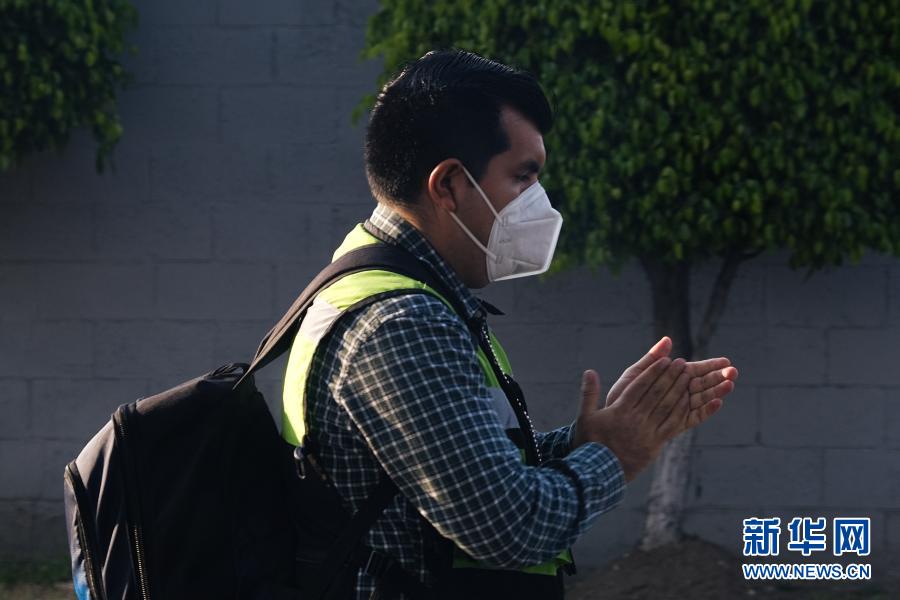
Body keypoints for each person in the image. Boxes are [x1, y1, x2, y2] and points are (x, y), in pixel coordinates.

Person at [282, 49, 738, 599]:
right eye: (523, 178)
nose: (538, 205)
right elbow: (508, 527)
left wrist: (584, 441)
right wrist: (618, 453)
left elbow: (467, 470)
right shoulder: (400, 323)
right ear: (449, 185)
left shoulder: (390, 289)